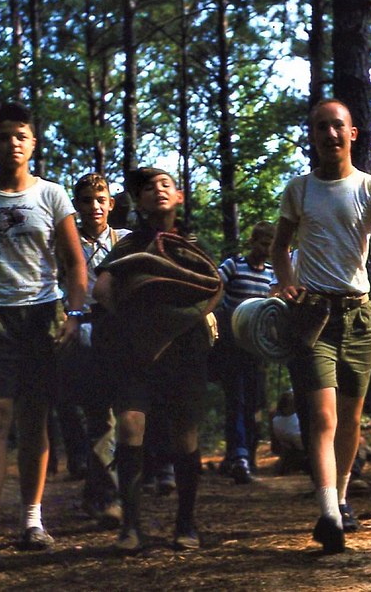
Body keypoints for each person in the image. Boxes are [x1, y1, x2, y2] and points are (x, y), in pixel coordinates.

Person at [0, 102, 87, 571]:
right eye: (4, 136)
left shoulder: (52, 196)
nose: (13, 144)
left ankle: (32, 519)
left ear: (34, 142)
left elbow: (74, 263)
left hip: (41, 315)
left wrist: (75, 313)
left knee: (33, 418)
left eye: (21, 135)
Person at [270, 98, 371, 554]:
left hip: (359, 315)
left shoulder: (370, 187)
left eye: (338, 127)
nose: (330, 134)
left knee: (350, 418)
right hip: (313, 316)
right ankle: (328, 511)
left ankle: (342, 499)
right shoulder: (299, 189)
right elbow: (279, 249)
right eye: (321, 128)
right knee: (324, 416)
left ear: (352, 134)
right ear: (312, 137)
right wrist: (287, 282)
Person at [93, 166, 221, 553]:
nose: (158, 191)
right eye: (148, 188)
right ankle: (130, 527)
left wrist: (194, 317)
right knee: (131, 426)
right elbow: (102, 287)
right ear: (139, 202)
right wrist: (133, 326)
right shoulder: (130, 245)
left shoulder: (193, 245)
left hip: (184, 354)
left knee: (185, 434)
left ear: (179, 196)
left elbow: (213, 287)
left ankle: (187, 523)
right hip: (136, 355)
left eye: (166, 184)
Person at [58, 173, 131, 529]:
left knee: (124, 413)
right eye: (86, 201)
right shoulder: (67, 244)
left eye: (100, 199)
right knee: (98, 413)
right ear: (77, 205)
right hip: (81, 329)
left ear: (111, 203)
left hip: (120, 331)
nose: (94, 207)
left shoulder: (125, 242)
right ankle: (110, 495)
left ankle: (101, 491)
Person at [215, 221, 276, 484]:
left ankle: (247, 456)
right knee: (236, 399)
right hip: (231, 346)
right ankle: (238, 455)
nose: (267, 249)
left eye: (271, 245)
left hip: (257, 349)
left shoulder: (272, 273)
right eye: (263, 243)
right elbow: (214, 287)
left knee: (254, 403)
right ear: (252, 242)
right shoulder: (233, 266)